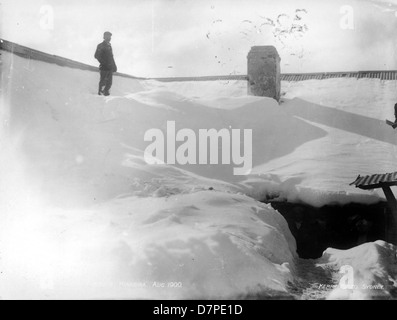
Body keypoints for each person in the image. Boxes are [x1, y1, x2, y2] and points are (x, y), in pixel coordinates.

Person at [95, 31, 117, 96]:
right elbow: (97, 56)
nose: (109, 37)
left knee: (109, 84)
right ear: (104, 37)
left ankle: (106, 97)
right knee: (103, 83)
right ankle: (100, 97)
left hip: (110, 68)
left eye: (110, 36)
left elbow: (111, 57)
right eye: (107, 36)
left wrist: (114, 66)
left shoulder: (109, 46)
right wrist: (105, 64)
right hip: (104, 68)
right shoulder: (100, 45)